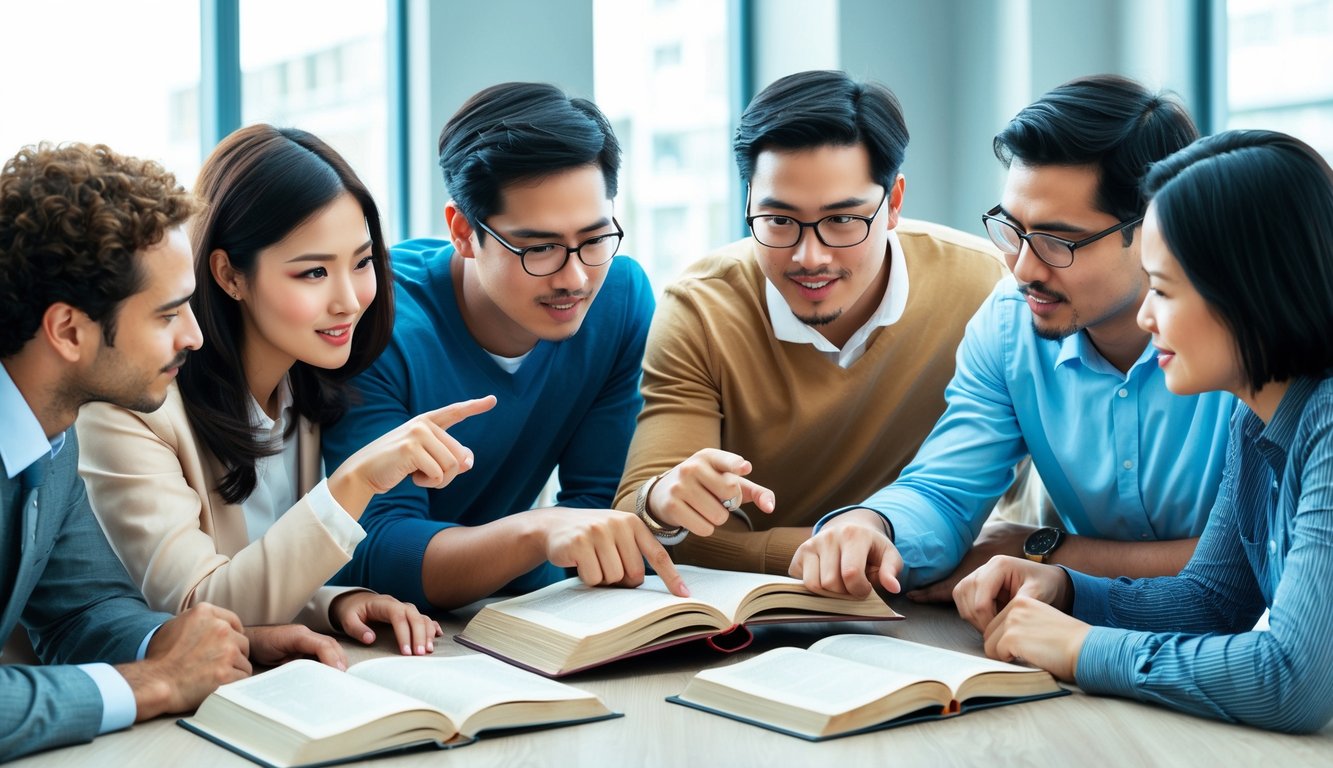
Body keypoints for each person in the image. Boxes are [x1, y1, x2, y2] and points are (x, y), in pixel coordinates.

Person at [791, 75, 1235, 600]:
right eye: (1012, 230)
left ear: (1156, 226)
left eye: (1055, 241)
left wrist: (1044, 550)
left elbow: (1242, 564)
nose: (1023, 268)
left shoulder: (1248, 337)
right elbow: (946, 489)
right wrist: (874, 527)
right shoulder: (1008, 326)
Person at [953, 129, 1333, 733]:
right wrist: (1067, 592)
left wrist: (1081, 650)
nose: (1144, 315)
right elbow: (1211, 599)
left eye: (1162, 289)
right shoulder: (1256, 412)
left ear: (1248, 292)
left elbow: (1293, 681)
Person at [76, 125, 487, 655]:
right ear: (229, 275)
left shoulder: (307, 384)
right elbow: (199, 611)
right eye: (313, 272)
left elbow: (256, 570)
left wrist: (334, 604)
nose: (349, 300)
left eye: (362, 262)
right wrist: (356, 481)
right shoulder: (131, 409)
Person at [0, 142, 342, 761]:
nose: (196, 334)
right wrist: (153, 680)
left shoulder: (52, 431)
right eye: (166, 314)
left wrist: (203, 644)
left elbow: (84, 608)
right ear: (68, 331)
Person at [611, 69, 1005, 575]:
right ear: (749, 203)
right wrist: (665, 503)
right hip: (749, 610)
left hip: (929, 594)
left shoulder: (985, 288)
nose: (809, 256)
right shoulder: (700, 308)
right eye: (779, 220)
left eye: (842, 220)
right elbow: (643, 521)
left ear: (894, 204)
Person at [321, 82, 686, 610]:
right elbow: (375, 552)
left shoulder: (619, 298)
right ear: (464, 231)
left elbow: (600, 511)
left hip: (501, 622)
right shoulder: (377, 320)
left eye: (595, 239)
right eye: (539, 248)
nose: (576, 277)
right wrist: (537, 533)